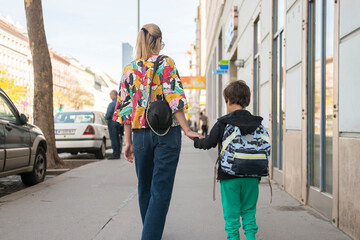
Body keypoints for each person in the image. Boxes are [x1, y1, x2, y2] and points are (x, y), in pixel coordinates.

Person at [112, 23, 202, 240]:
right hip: (166, 133)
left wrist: (128, 142)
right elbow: (175, 99)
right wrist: (187, 129)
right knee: (160, 192)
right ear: (159, 41)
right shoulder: (166, 62)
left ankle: (150, 232)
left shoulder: (129, 69)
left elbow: (125, 110)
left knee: (145, 189)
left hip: (140, 135)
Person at [193, 80, 270, 240]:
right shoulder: (258, 123)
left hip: (229, 176)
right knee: (249, 213)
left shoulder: (223, 122)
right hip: (252, 176)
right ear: (247, 101)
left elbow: (208, 143)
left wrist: (196, 139)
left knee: (232, 216)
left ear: (228, 101)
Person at [105, 90, 123, 160]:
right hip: (119, 123)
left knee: (114, 139)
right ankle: (117, 153)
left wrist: (105, 117)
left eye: (110, 95)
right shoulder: (120, 103)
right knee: (118, 139)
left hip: (112, 123)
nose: (110, 96)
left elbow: (108, 114)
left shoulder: (112, 103)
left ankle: (115, 155)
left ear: (113, 95)